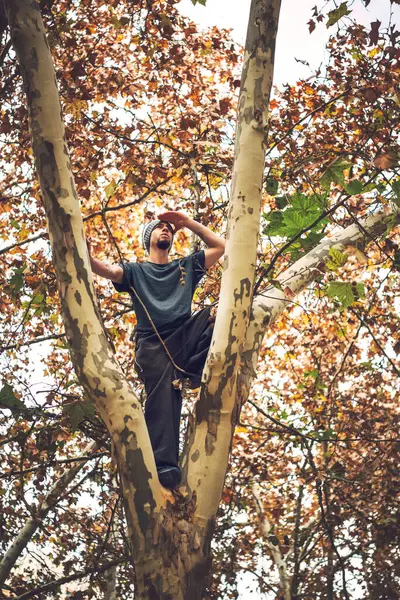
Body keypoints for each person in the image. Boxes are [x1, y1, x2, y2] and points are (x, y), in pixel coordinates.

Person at [88, 210, 225, 488]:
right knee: (164, 395)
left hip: (184, 336)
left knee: (221, 315)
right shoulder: (135, 271)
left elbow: (220, 247)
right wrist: (86, 256)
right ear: (148, 237)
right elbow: (109, 271)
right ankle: (164, 464)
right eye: (160, 228)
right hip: (153, 344)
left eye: (169, 230)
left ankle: (193, 371)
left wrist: (186, 223)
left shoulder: (184, 267)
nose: (166, 231)